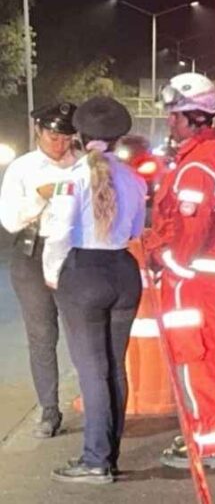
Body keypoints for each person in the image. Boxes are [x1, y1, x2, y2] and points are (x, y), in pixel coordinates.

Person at [141, 73, 215, 469]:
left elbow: (187, 238)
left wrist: (157, 257)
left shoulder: (197, 168)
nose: (170, 122)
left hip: (193, 281)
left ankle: (210, 445)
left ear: (195, 117)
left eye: (175, 116)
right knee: (211, 358)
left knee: (195, 360)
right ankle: (207, 434)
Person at [39, 97, 146, 484]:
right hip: (123, 270)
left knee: (92, 372)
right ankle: (109, 454)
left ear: (80, 137)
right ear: (119, 139)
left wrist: (52, 271)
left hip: (83, 272)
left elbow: (60, 232)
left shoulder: (74, 178)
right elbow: (135, 231)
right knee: (114, 368)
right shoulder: (135, 178)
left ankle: (95, 460)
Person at [0, 102, 81, 439]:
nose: (58, 143)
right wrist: (40, 197)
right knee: (42, 335)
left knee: (81, 333)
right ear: (38, 129)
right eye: (52, 135)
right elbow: (10, 220)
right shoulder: (22, 168)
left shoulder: (83, 165)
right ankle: (49, 410)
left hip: (74, 254)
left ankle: (90, 398)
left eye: (65, 137)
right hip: (33, 254)